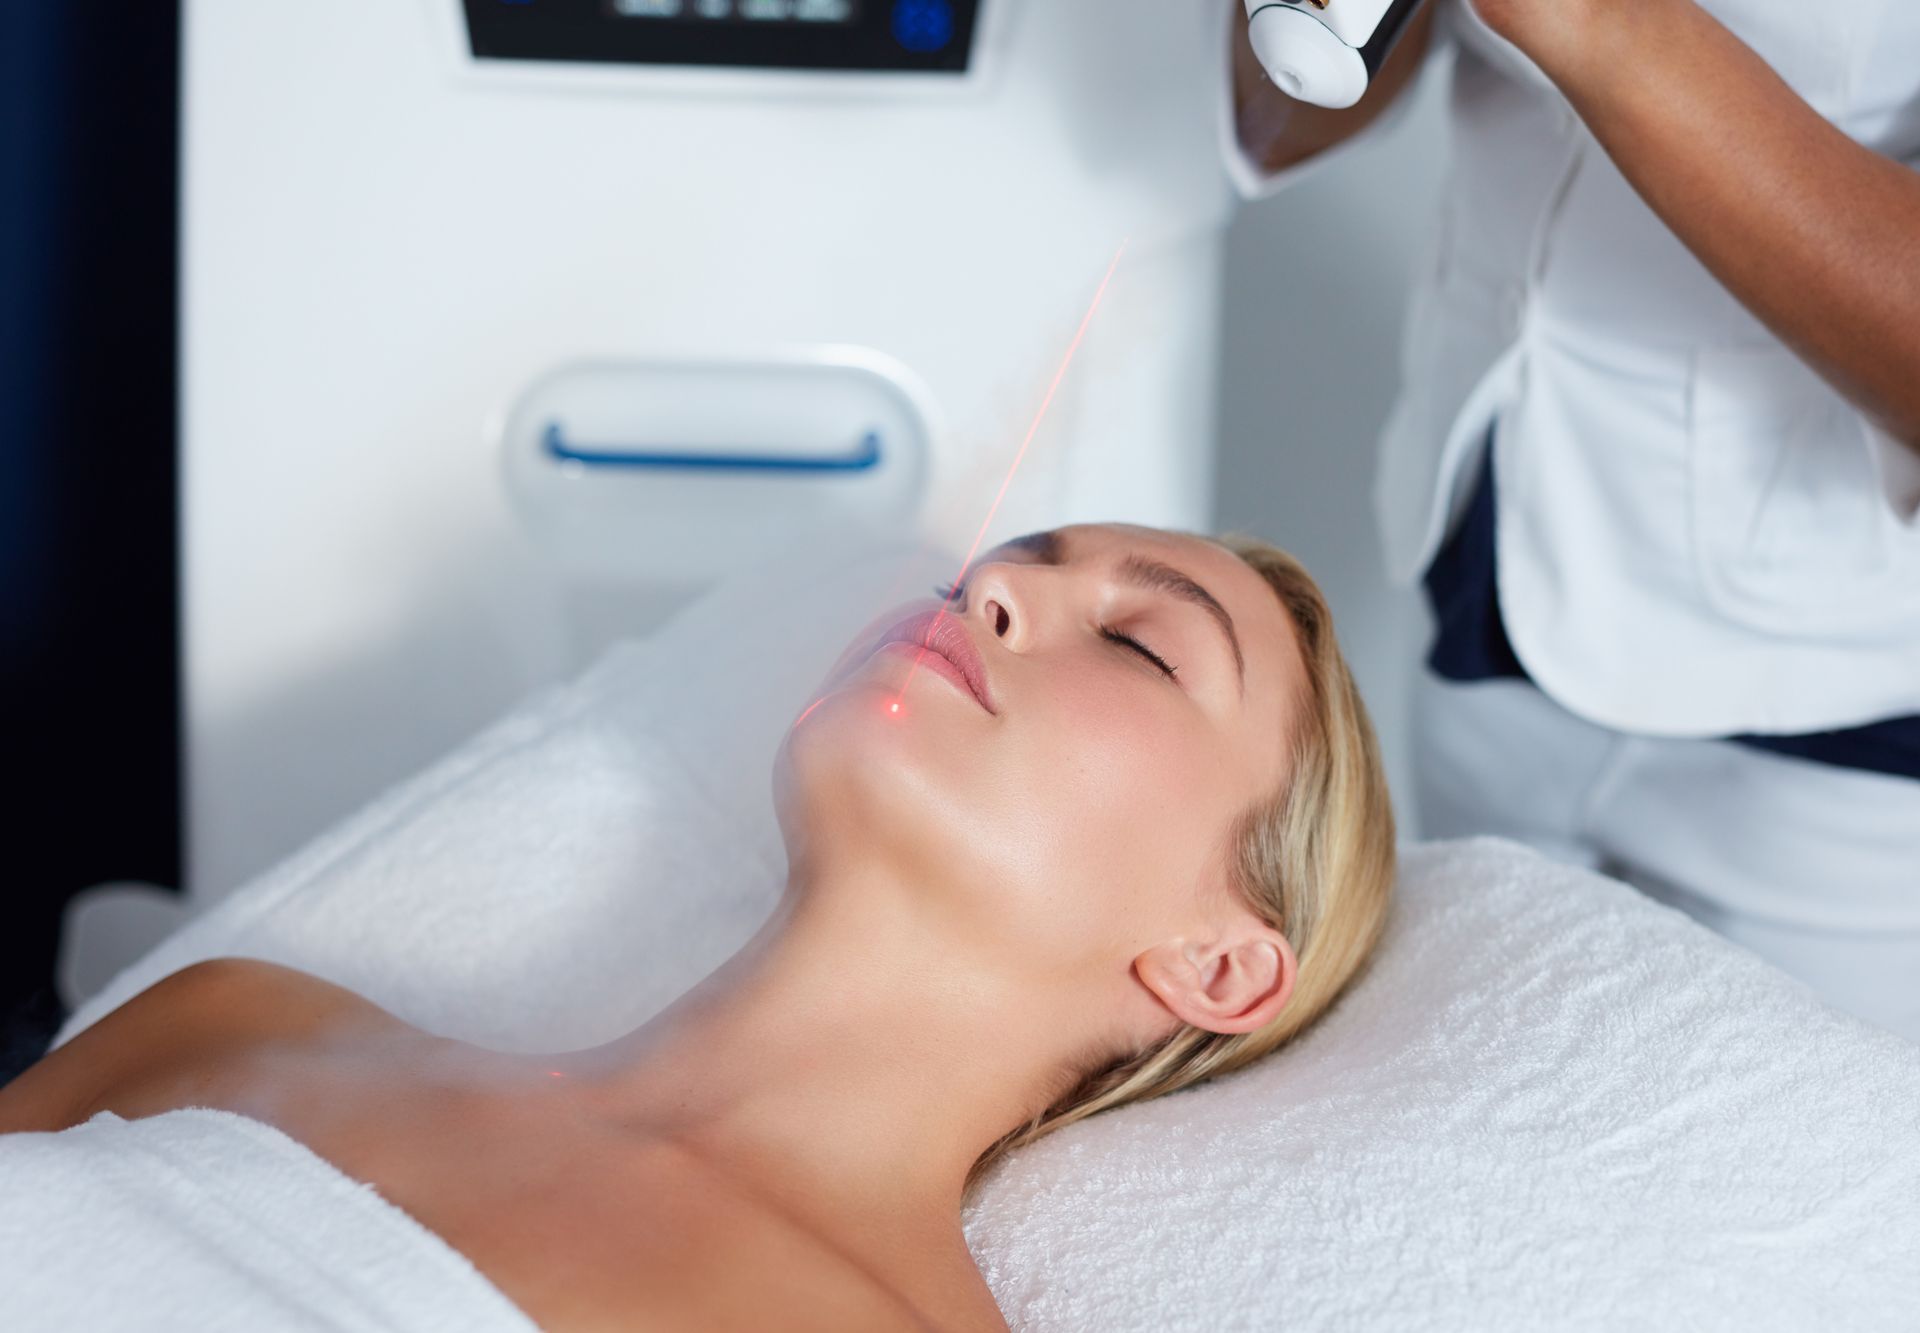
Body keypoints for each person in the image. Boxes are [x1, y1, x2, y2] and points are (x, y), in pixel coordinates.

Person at [0, 523, 1396, 1331]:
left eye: (1145, 645)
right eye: (993, 568)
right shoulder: (234, 1024)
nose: (991, 592)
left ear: (1216, 963)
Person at [1229, 0, 1920, 1041]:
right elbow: (1270, 116)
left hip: (1831, 709)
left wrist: (1598, 21)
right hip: (1484, 577)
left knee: (1834, 1184)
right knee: (1475, 1115)